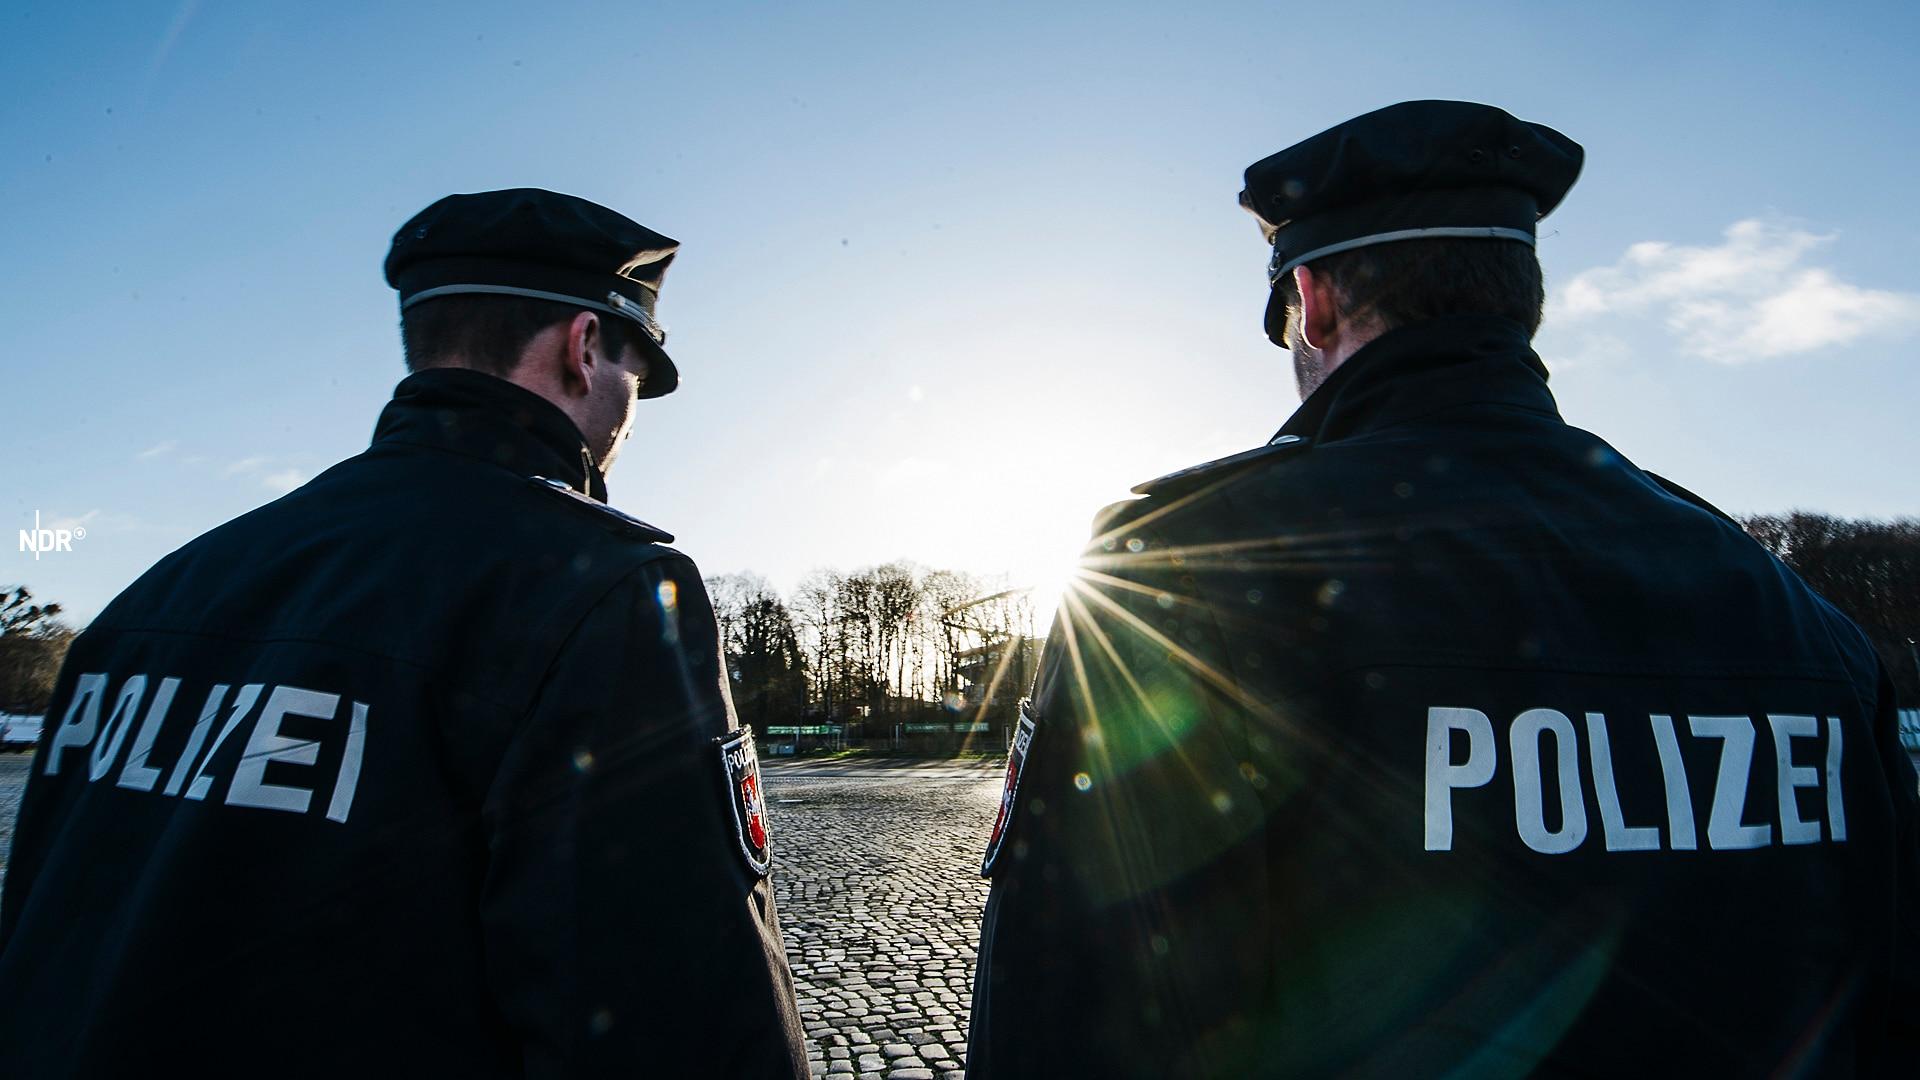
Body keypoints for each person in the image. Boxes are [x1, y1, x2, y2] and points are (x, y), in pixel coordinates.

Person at [967, 101, 1920, 1077]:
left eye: (1288, 328)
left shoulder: (1183, 576)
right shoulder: (1805, 628)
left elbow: (1054, 1023)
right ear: (1518, 301)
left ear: (1316, 301)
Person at [0, 188, 809, 1078]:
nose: (627, 416)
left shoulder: (156, 597)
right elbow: (683, 1026)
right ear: (584, 348)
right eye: (633, 378)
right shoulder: (598, 591)